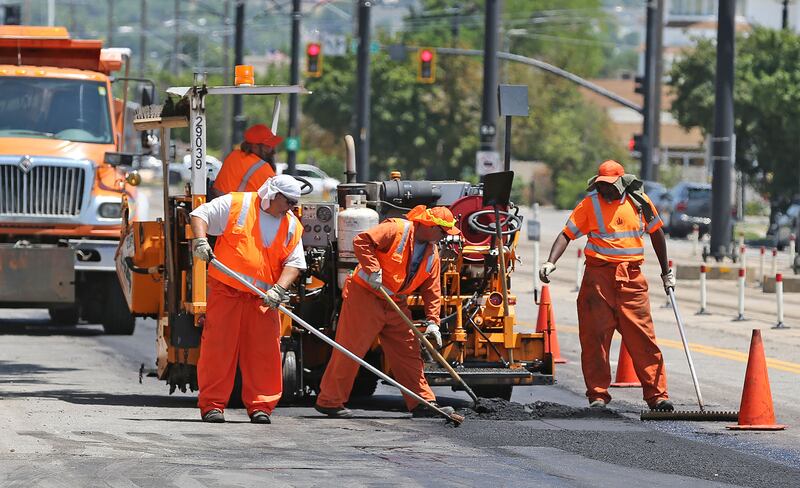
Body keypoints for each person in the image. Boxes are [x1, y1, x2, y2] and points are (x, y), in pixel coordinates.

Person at [539, 160, 675, 412]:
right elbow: (566, 234)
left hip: (631, 280)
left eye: (609, 186)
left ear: (622, 184)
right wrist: (550, 262)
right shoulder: (590, 204)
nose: (605, 190)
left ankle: (658, 396)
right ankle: (598, 395)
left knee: (643, 339)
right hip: (598, 280)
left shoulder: (640, 202)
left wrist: (666, 272)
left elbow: (657, 234)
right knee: (595, 339)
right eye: (601, 186)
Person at [314, 205, 461, 419]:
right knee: (350, 350)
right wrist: (373, 270)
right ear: (429, 225)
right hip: (365, 297)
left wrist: (433, 321)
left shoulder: (432, 253)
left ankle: (423, 401)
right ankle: (329, 401)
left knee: (409, 351)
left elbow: (432, 289)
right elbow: (362, 241)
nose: (444, 236)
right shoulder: (396, 229)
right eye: (443, 230)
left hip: (395, 303)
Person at [189, 175, 305, 424]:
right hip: (227, 291)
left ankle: (261, 406)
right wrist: (200, 240)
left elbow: (294, 264)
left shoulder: (292, 225)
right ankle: (212, 405)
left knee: (265, 353)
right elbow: (199, 214)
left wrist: (278, 289)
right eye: (289, 201)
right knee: (218, 349)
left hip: (263, 300)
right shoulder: (237, 204)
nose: (292, 207)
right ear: (273, 195)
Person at [210, 124, 283, 199]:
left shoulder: (233, 155)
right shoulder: (263, 168)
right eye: (267, 146)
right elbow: (276, 198)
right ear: (255, 147)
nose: (272, 150)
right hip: (237, 208)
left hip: (219, 203)